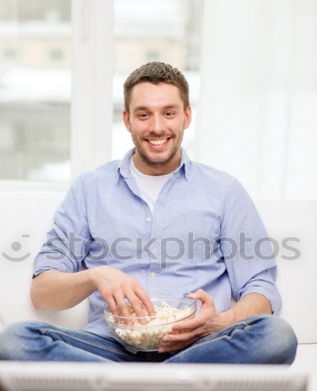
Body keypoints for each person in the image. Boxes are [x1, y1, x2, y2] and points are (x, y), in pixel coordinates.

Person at [0, 62, 297, 364]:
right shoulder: (90, 189)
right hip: (108, 348)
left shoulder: (224, 190)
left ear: (187, 116)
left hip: (200, 347)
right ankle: (167, 387)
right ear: (127, 120)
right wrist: (95, 276)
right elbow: (42, 293)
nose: (157, 127)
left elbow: (262, 290)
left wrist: (218, 323)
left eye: (169, 113)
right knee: (14, 341)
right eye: (144, 114)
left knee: (276, 336)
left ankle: (130, 387)